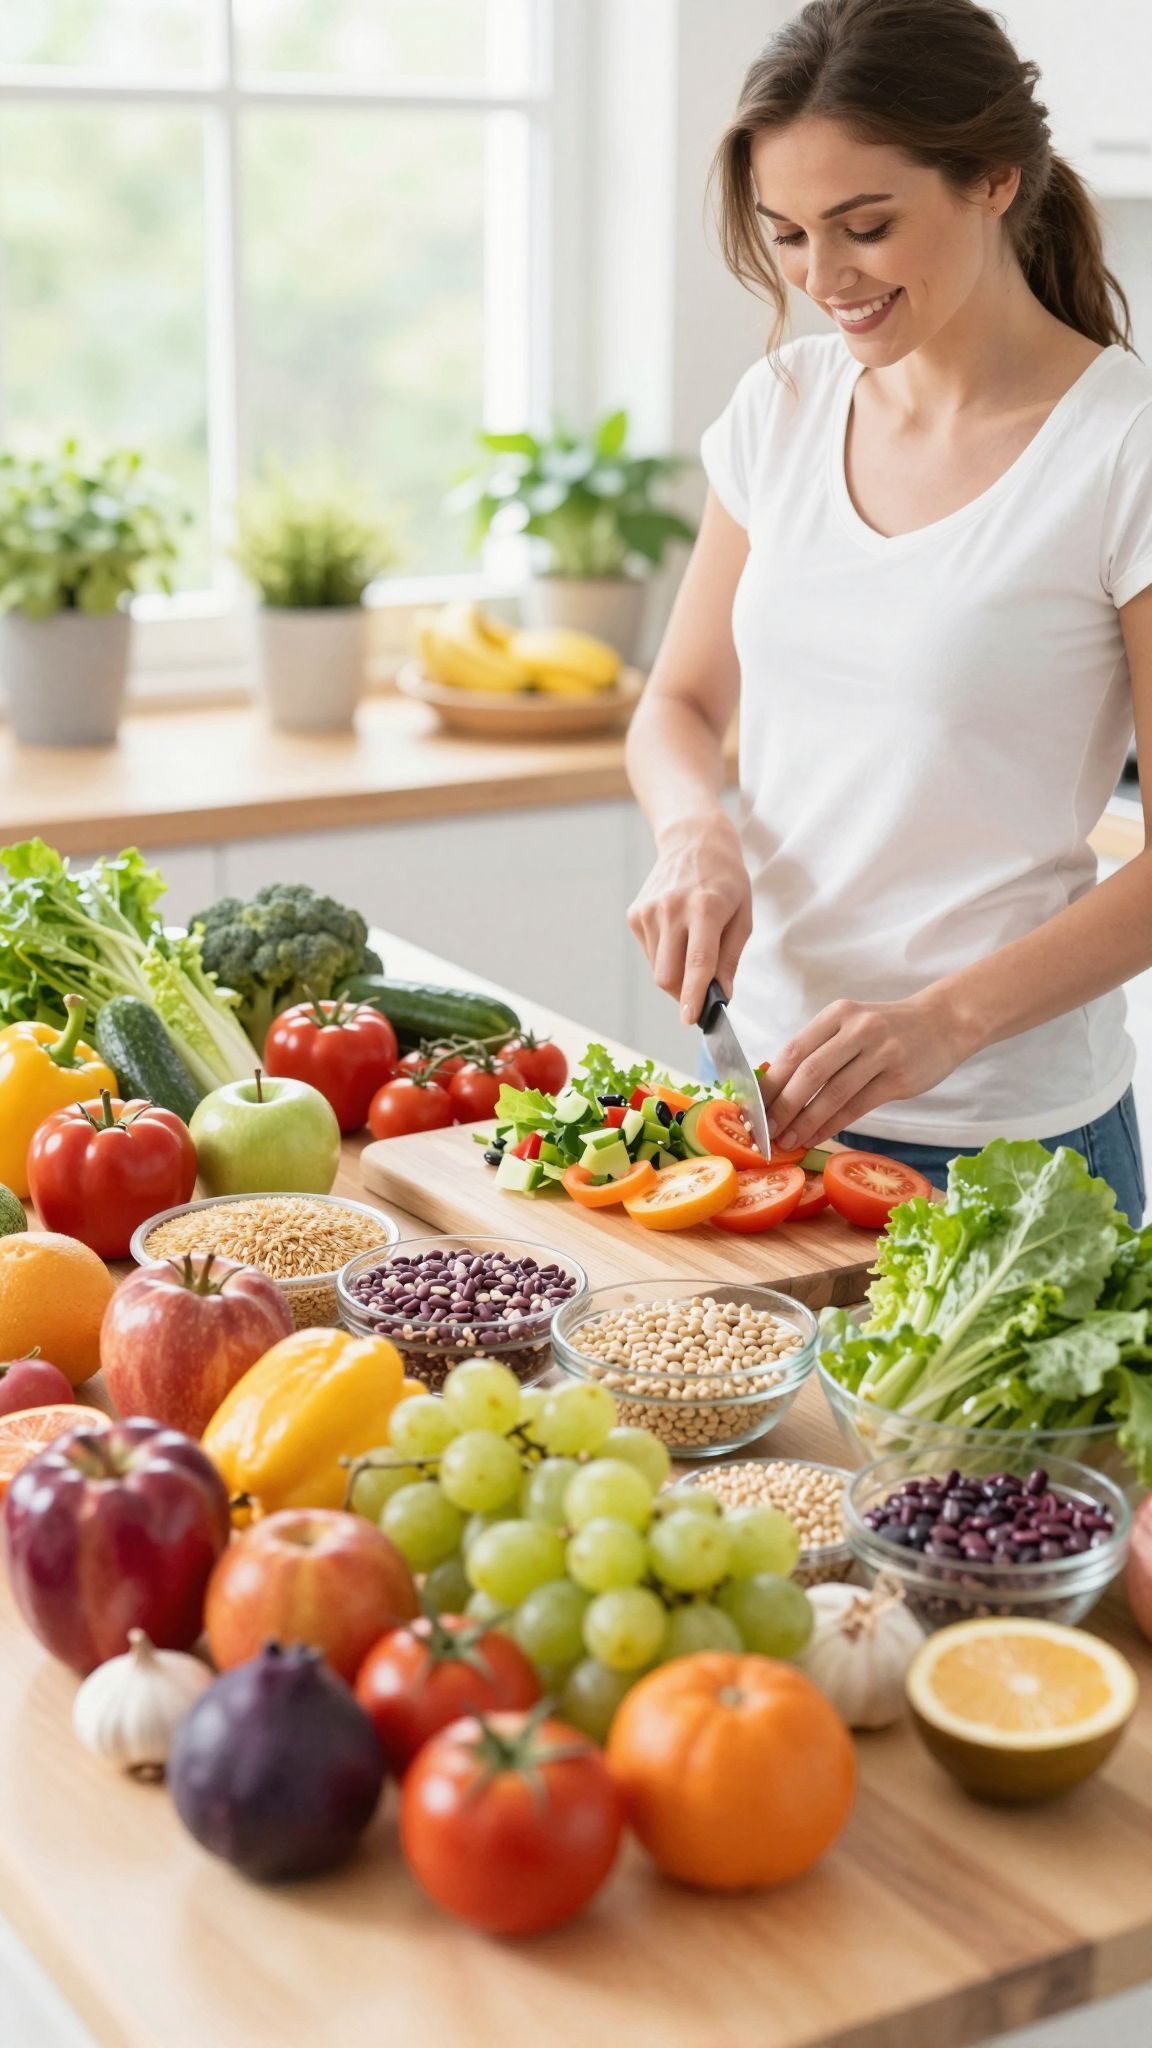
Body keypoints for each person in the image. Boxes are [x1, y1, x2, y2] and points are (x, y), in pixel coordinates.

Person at [625, 0, 1151, 1221]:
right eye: (792, 234)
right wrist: (692, 832)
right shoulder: (785, 408)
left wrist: (944, 1022)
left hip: (1006, 1150)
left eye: (866, 227)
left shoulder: (1119, 451)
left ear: (993, 181)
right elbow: (682, 702)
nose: (823, 280)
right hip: (760, 1106)